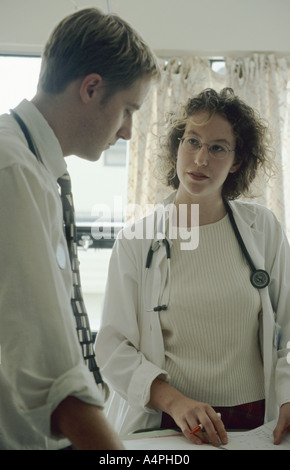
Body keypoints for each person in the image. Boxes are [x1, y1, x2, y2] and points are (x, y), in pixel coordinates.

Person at [0, 7, 159, 450]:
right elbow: (50, 371)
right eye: (128, 109)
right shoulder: (12, 170)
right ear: (91, 88)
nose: (128, 132)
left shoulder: (34, 167)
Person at [95, 88, 290, 447]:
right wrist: (175, 401)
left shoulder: (263, 228)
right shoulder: (136, 241)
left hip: (255, 420)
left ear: (236, 161)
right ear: (176, 148)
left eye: (218, 147)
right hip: (171, 419)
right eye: (192, 141)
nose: (201, 159)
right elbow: (112, 347)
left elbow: (288, 327)